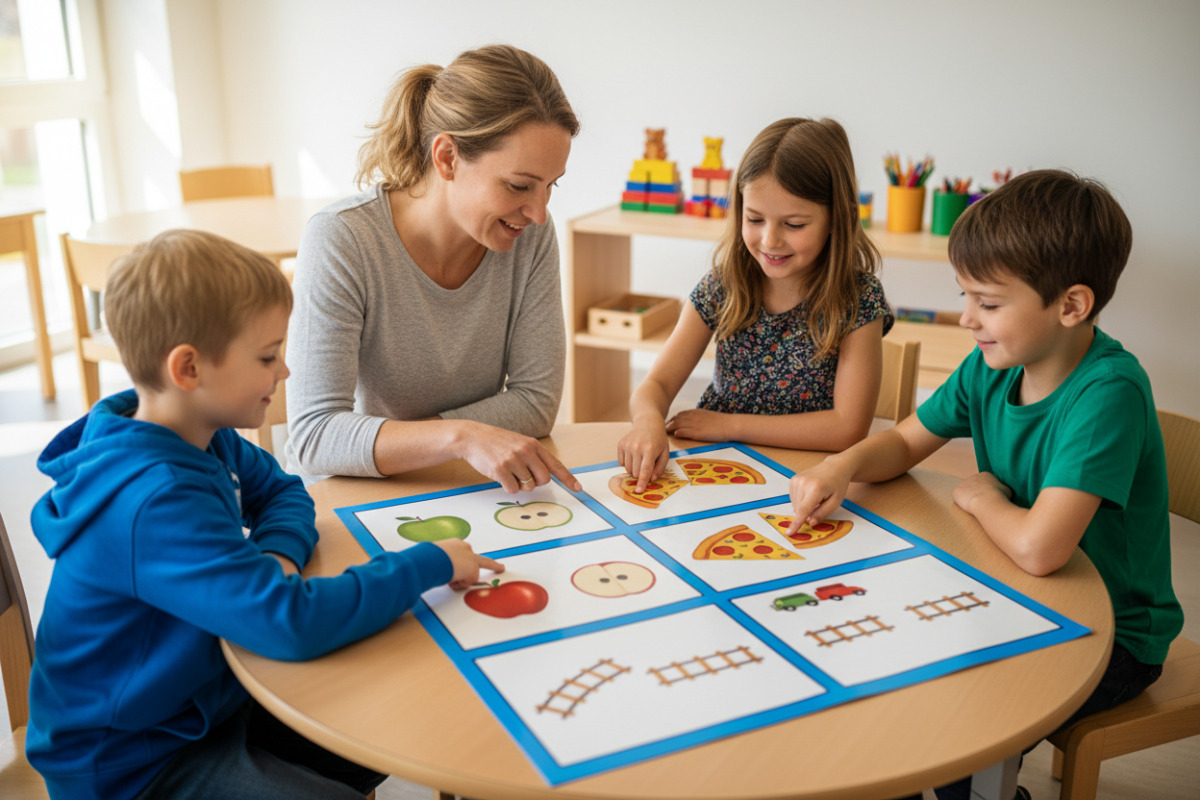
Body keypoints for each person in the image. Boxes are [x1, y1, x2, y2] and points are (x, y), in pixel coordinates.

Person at [26, 230, 503, 800]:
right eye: (266, 356)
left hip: (206, 701)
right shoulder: (152, 498)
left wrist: (275, 556)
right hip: (134, 763)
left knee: (388, 719)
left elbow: (284, 492)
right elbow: (289, 623)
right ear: (189, 368)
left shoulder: (199, 433)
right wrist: (427, 563)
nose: (285, 373)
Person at [787, 170, 1184, 800]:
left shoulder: (1109, 392)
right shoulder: (992, 364)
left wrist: (980, 496)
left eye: (989, 303)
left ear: (1072, 305)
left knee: (954, 730)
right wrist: (844, 464)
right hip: (1013, 594)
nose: (967, 317)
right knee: (893, 683)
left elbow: (1040, 549)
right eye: (964, 295)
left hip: (1112, 636)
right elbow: (904, 443)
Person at [286, 44, 582, 494]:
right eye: (519, 185)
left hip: (467, 484)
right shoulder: (343, 239)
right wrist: (462, 437)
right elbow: (315, 437)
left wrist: (440, 443)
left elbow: (536, 403)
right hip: (358, 491)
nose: (538, 212)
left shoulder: (531, 235)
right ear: (446, 158)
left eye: (549, 186)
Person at [618, 117, 893, 491]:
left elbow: (847, 428)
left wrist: (730, 424)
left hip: (805, 478)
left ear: (837, 218)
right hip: (716, 468)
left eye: (794, 224)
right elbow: (657, 384)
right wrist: (648, 421)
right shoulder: (723, 284)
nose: (770, 240)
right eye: (754, 219)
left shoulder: (858, 299)